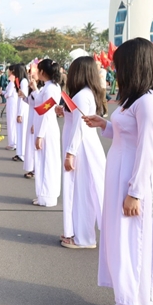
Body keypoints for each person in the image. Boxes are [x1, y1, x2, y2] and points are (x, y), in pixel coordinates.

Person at [84, 37, 153, 305]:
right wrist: (104, 124)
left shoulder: (148, 103)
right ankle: (126, 299)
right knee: (122, 239)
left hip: (134, 179)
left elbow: (146, 150)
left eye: (120, 66)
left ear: (135, 65)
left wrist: (135, 193)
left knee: (136, 242)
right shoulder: (134, 99)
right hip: (121, 175)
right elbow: (125, 136)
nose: (115, 71)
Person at [60, 56, 106, 249]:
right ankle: (84, 235)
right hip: (87, 145)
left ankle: (84, 237)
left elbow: (79, 126)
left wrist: (70, 153)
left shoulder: (81, 96)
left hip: (81, 148)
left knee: (83, 193)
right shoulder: (88, 94)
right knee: (90, 191)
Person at [33, 59, 62, 207]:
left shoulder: (51, 89)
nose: (37, 73)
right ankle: (43, 194)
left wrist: (40, 135)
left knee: (48, 162)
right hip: (43, 127)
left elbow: (47, 112)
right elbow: (39, 107)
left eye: (38, 70)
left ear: (43, 72)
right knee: (42, 162)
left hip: (47, 130)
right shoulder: (47, 87)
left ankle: (48, 196)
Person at [4, 67, 19, 150]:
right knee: (12, 123)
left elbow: (8, 94)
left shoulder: (12, 83)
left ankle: (12, 143)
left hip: (12, 103)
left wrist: (4, 94)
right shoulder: (12, 82)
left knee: (11, 123)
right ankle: (13, 142)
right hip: (12, 103)